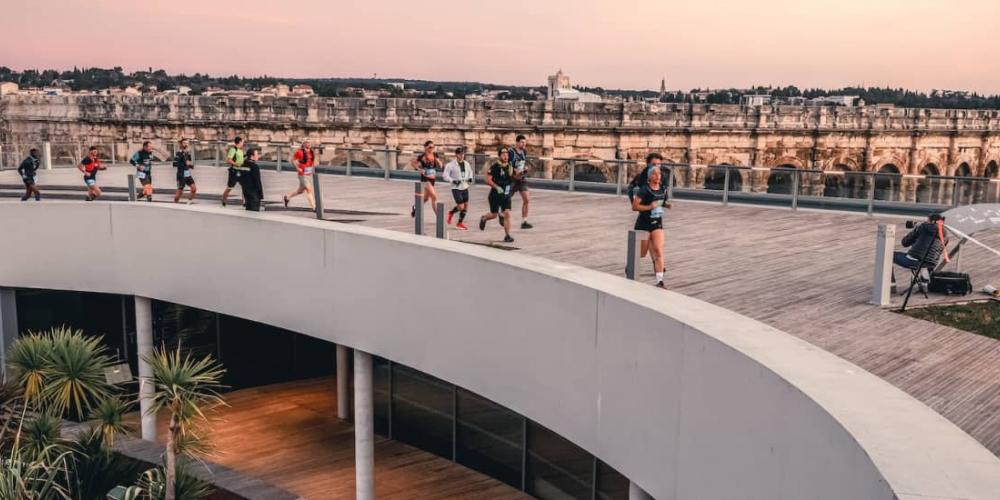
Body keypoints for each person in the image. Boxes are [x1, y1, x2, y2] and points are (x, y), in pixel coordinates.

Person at [631, 165, 671, 288]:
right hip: (643, 223)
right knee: (642, 253)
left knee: (658, 250)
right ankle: (630, 265)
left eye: (659, 174)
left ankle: (660, 281)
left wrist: (667, 205)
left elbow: (663, 201)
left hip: (657, 222)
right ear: (650, 176)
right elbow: (635, 207)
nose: (658, 176)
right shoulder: (644, 190)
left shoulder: (663, 189)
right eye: (655, 174)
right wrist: (649, 207)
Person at [892, 213, 949, 290]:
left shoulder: (923, 227)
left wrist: (915, 229)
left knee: (889, 255)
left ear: (932, 221)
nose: (926, 222)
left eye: (927, 220)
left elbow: (905, 242)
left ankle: (891, 285)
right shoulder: (946, 236)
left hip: (916, 261)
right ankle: (923, 281)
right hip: (931, 264)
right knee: (923, 260)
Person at [627, 153, 665, 264]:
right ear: (648, 164)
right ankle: (631, 264)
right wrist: (635, 204)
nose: (657, 166)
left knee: (657, 245)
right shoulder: (641, 177)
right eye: (654, 164)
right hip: (644, 215)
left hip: (656, 216)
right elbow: (630, 189)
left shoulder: (662, 176)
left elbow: (663, 192)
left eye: (659, 164)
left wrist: (663, 203)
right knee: (642, 251)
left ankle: (658, 266)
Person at [479, 148, 515, 243]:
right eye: (503, 155)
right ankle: (484, 218)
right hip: (495, 195)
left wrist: (522, 173)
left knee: (507, 213)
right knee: (493, 215)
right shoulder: (495, 167)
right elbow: (487, 180)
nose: (505, 156)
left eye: (507, 155)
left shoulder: (510, 167)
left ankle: (507, 236)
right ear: (499, 156)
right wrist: (496, 187)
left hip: (506, 194)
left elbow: (515, 177)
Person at [443, 146, 474, 230]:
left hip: (465, 186)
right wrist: (453, 180)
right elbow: (445, 176)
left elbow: (470, 172)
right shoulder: (450, 165)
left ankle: (459, 223)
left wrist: (470, 178)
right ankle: (451, 212)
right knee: (461, 207)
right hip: (456, 188)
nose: (462, 155)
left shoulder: (466, 164)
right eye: (460, 154)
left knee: (466, 205)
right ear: (456, 155)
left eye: (463, 154)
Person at [410, 140, 442, 217]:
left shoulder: (435, 155)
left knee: (426, 198)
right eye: (430, 147)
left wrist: (438, 162)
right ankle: (438, 217)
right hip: (425, 179)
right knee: (434, 196)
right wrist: (419, 169)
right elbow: (413, 163)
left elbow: (441, 165)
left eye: (433, 147)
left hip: (432, 179)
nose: (432, 149)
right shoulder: (422, 156)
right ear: (426, 147)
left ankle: (415, 207)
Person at [508, 135, 533, 229]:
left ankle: (524, 222)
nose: (524, 144)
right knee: (506, 199)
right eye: (522, 142)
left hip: (521, 178)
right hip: (512, 179)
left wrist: (524, 168)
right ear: (517, 142)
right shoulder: (511, 152)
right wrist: (515, 171)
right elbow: (508, 165)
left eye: (525, 142)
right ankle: (501, 214)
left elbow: (522, 163)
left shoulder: (524, 152)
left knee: (527, 199)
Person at [283, 139, 316, 209]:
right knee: (309, 190)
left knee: (300, 191)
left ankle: (287, 198)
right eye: (307, 142)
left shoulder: (311, 151)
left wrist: (313, 169)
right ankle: (314, 207)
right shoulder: (299, 152)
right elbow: (293, 160)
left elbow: (312, 162)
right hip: (302, 174)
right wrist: (297, 168)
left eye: (310, 142)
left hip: (309, 173)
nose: (309, 144)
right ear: (303, 144)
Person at [221, 136, 245, 207]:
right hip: (234, 171)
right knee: (229, 188)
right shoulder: (233, 149)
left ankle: (244, 202)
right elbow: (228, 160)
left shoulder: (240, 150)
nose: (243, 143)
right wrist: (236, 164)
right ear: (239, 142)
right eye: (242, 142)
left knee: (245, 186)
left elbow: (241, 159)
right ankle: (224, 201)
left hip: (241, 171)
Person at [239, 146, 265, 211]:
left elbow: (239, 177)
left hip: (246, 193)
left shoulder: (242, 165)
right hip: (254, 194)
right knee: (254, 211)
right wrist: (260, 195)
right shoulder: (255, 167)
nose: (258, 156)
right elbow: (257, 181)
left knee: (248, 210)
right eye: (257, 154)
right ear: (252, 156)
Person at [172, 138, 197, 204]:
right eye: (184, 143)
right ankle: (175, 203)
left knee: (194, 189)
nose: (186, 144)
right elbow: (174, 164)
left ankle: (188, 202)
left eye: (187, 143)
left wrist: (190, 166)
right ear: (181, 144)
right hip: (181, 174)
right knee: (180, 191)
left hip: (187, 174)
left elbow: (188, 162)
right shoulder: (179, 153)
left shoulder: (187, 153)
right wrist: (184, 164)